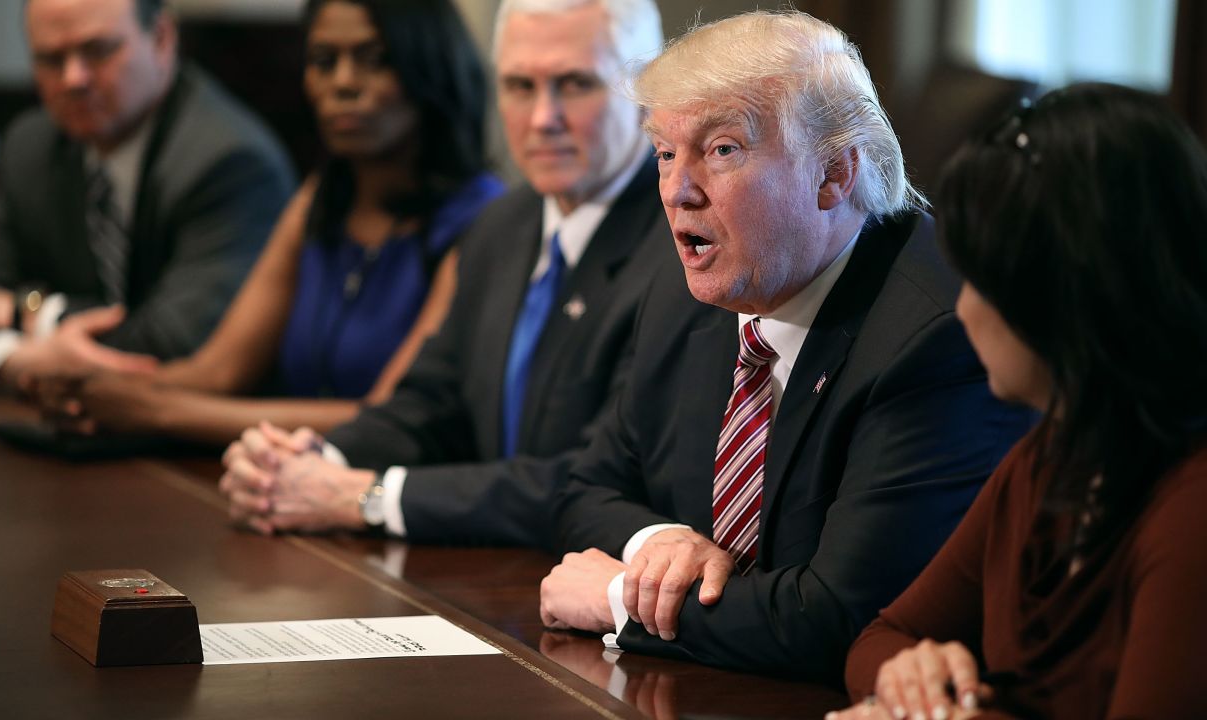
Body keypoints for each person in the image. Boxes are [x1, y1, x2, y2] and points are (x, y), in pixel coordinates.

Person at [538, 11, 1034, 681]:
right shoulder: (690, 291)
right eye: (664, 153)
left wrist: (621, 598)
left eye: (722, 150)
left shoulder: (933, 339)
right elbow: (587, 486)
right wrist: (660, 545)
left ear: (833, 175)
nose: (679, 191)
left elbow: (839, 618)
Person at [216, 0, 671, 549]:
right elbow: (431, 400)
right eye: (520, 86)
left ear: (646, 91)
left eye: (574, 84)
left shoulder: (683, 247)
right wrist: (306, 461)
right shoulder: (501, 224)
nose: (542, 118)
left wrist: (369, 496)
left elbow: (593, 476)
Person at [831, 83, 1207, 720]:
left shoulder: (1190, 505)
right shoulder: (1051, 457)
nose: (964, 306)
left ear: (1064, 298)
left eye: (981, 279)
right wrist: (910, 677)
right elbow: (877, 642)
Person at [42, 0, 503, 445]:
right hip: (282, 481)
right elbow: (218, 370)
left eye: (375, 59)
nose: (343, 84)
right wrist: (92, 391)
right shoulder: (319, 200)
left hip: (386, 497)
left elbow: (385, 417)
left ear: (432, 67)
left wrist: (158, 412)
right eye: (323, 61)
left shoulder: (484, 219)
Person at [0, 0, 294, 392]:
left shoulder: (229, 161)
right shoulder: (32, 146)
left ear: (162, 39)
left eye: (98, 51)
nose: (73, 78)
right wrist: (15, 363)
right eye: (51, 59)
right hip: (60, 431)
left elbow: (174, 346)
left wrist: (24, 314)